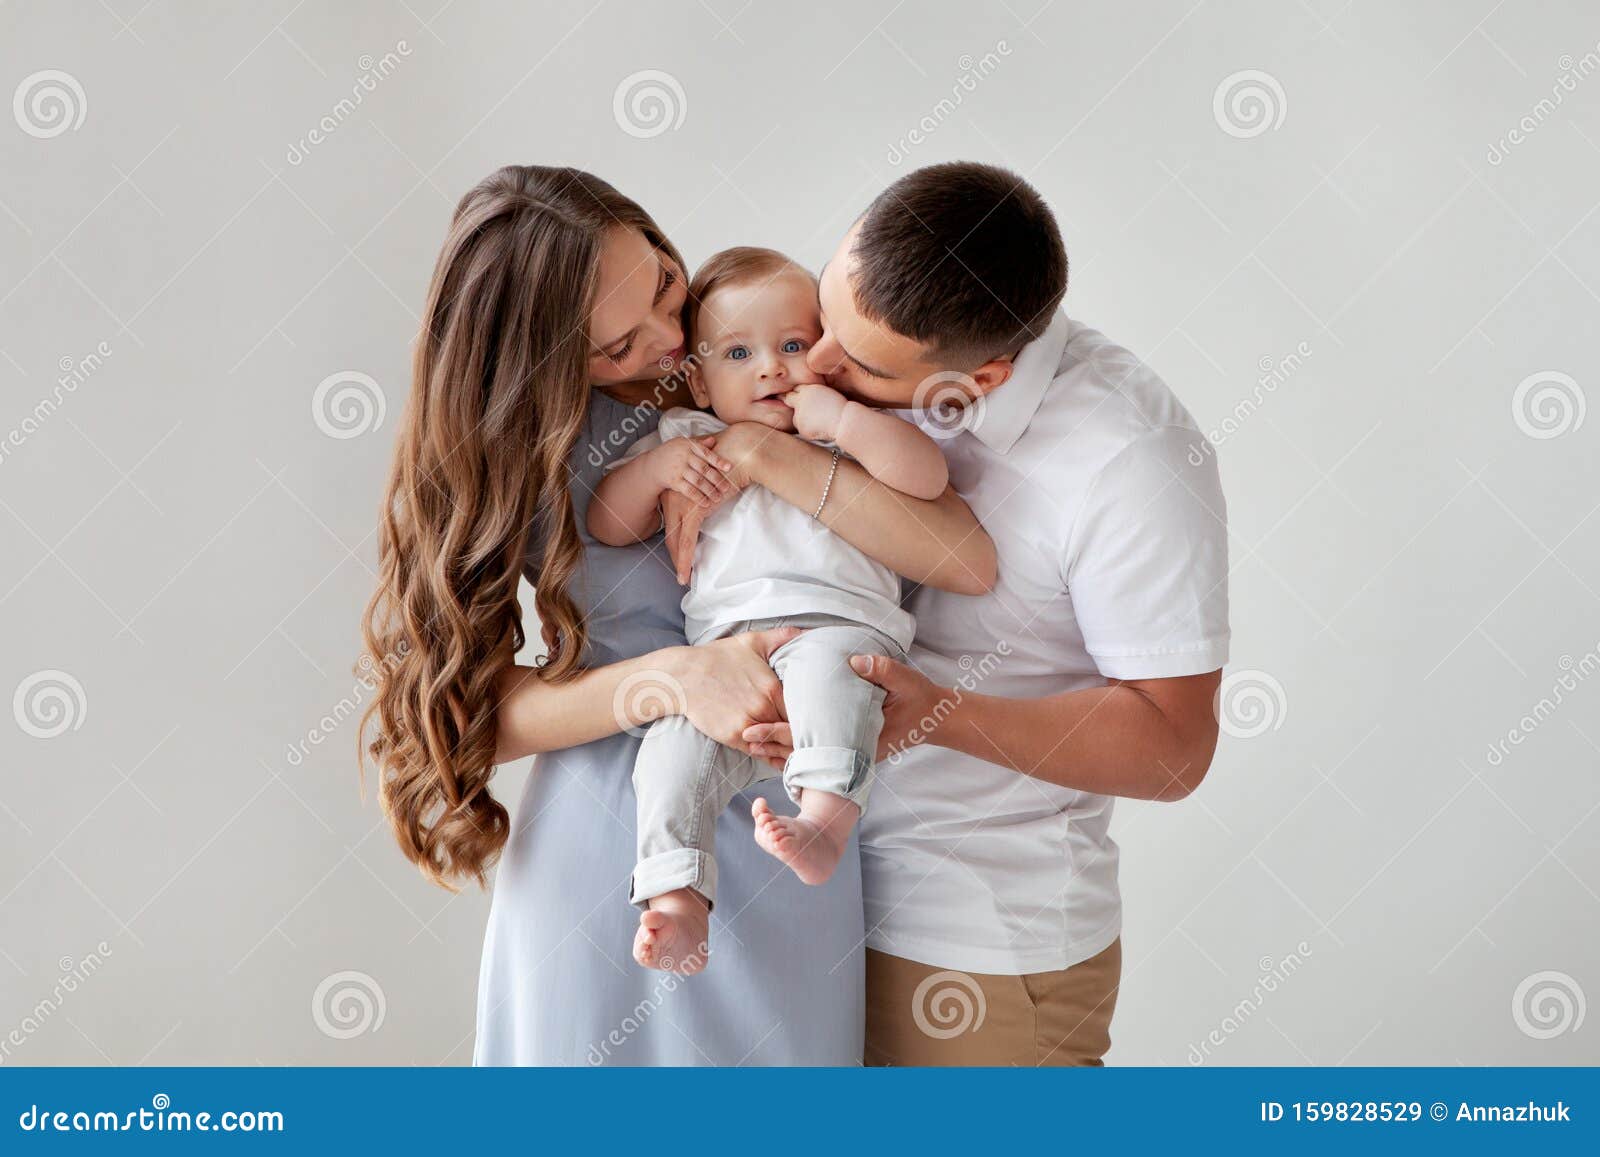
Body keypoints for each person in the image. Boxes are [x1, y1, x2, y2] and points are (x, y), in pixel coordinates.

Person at [359, 165, 995, 1065]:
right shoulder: (526, 447)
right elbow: (467, 714)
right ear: (554, 356)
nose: (665, 339)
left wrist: (750, 449)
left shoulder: (772, 361)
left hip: (799, 821)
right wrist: (670, 681)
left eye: (662, 282)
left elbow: (963, 560)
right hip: (613, 849)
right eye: (617, 347)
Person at [741, 161, 1231, 1066]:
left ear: (987, 373)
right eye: (827, 315)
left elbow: (1175, 748)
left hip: (971, 947)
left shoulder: (1132, 458)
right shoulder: (841, 369)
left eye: (862, 364)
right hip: (800, 913)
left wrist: (934, 714)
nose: (816, 365)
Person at [589, 246, 951, 973]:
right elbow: (607, 525)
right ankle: (676, 895)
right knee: (667, 755)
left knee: (831, 676)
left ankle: (822, 822)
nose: (771, 369)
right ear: (696, 377)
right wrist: (657, 471)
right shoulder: (686, 440)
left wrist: (843, 419)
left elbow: (930, 475)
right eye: (738, 351)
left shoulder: (844, 430)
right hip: (725, 666)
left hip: (836, 626)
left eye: (792, 345)